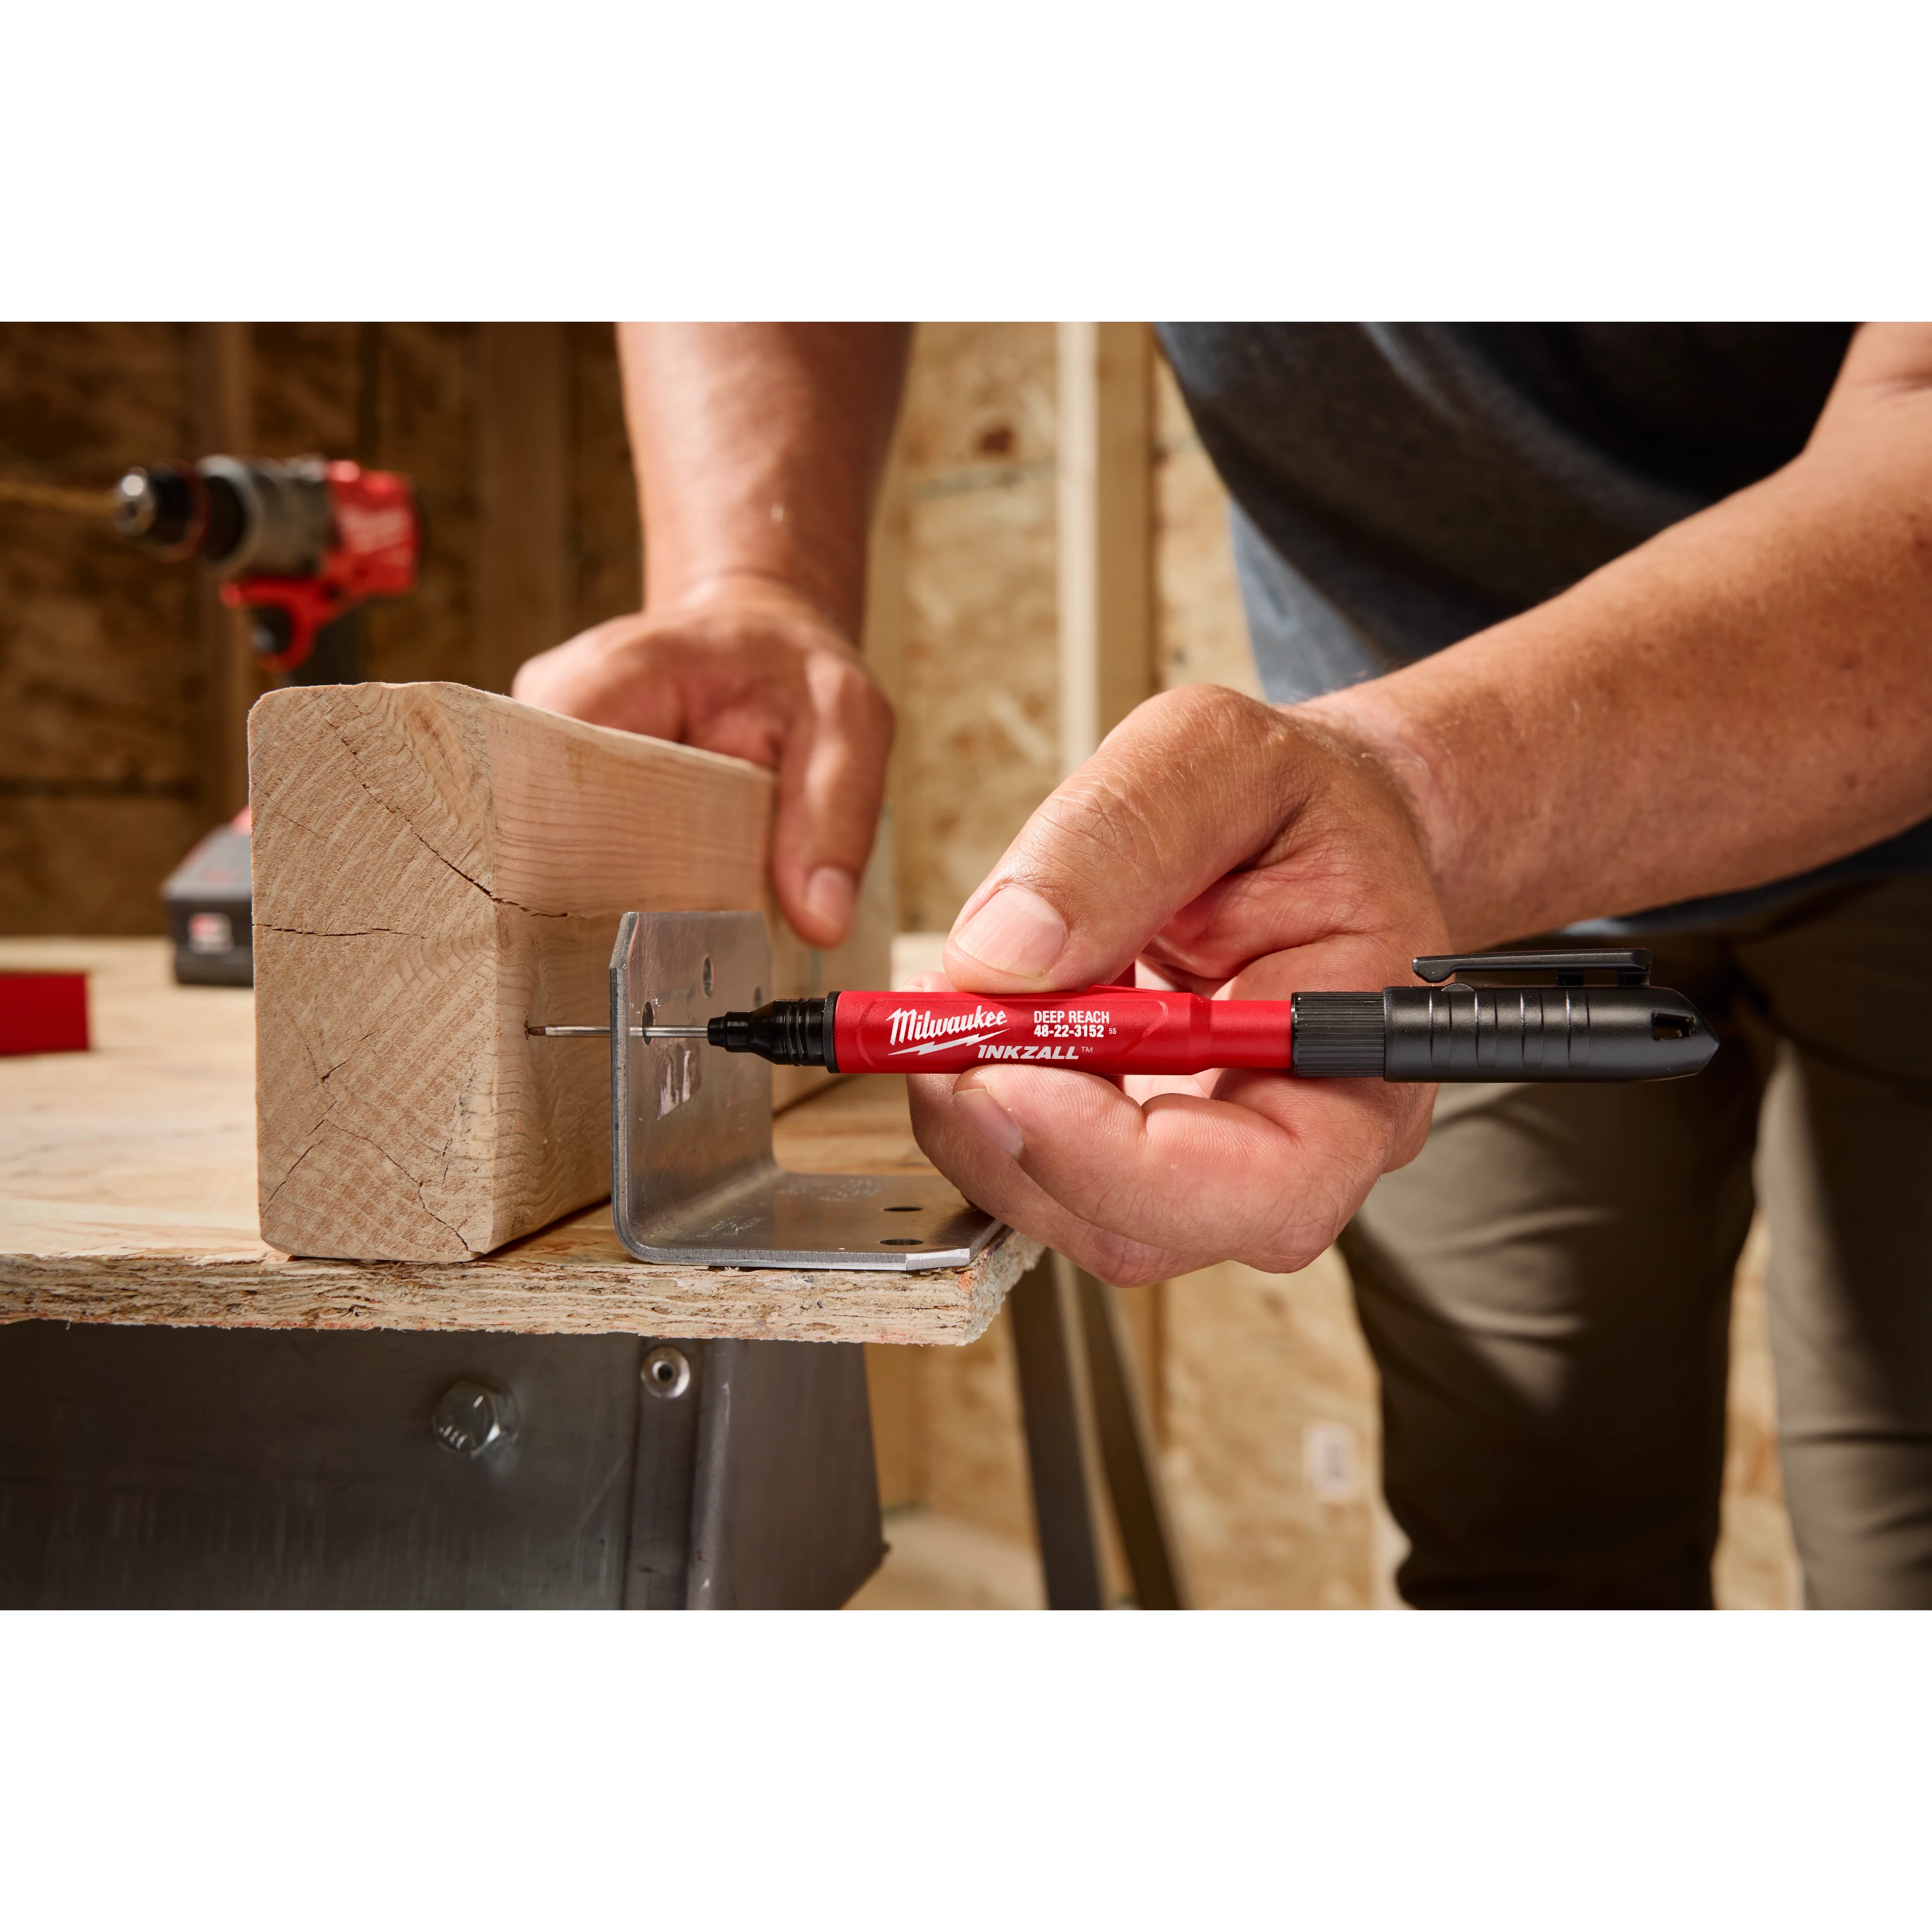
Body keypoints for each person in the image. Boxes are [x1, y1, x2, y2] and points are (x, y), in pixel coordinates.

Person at [517, 321, 1932, 1609]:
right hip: (1414, 857)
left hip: (1836, 727)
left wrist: (1410, 791)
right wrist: (749, 576)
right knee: (1530, 1524)